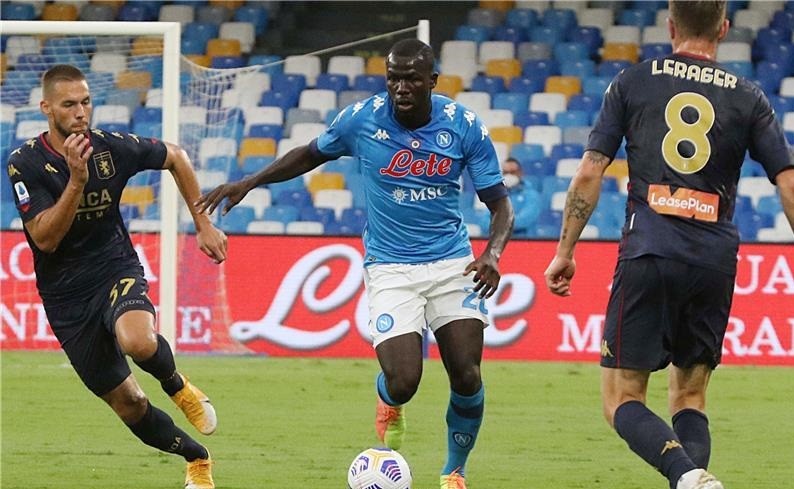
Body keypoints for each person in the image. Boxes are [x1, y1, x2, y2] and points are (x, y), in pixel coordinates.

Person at [197, 39, 514, 489]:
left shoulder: (463, 126)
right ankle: (390, 401)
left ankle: (453, 471)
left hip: (451, 264)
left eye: (411, 79)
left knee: (466, 374)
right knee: (403, 381)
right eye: (393, 78)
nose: (400, 87)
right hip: (390, 267)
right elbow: (311, 152)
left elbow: (500, 205)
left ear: (432, 81)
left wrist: (492, 254)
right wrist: (251, 181)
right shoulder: (362, 119)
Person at [544, 2, 794, 489]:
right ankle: (692, 480)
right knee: (690, 397)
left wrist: (565, 251)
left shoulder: (633, 82)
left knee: (621, 398)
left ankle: (685, 475)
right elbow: (787, 180)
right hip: (714, 259)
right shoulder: (749, 96)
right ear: (724, 29)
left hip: (650, 249)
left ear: (671, 25)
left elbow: (591, 171)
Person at [6, 64, 228, 489]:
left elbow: (177, 157)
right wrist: (76, 182)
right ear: (46, 108)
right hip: (65, 297)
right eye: (69, 104)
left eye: (86, 102)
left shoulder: (111, 148)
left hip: (114, 268)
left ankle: (177, 385)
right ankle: (197, 459)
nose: (80, 113)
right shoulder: (25, 162)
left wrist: (203, 224)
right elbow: (45, 239)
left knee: (138, 340)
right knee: (130, 404)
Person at [501, 156, 542, 236]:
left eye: (512, 172)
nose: (509, 176)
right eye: (505, 173)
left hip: (524, 240)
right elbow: (484, 220)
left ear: (520, 173)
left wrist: (498, 224)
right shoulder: (498, 195)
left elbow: (525, 220)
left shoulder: (532, 195)